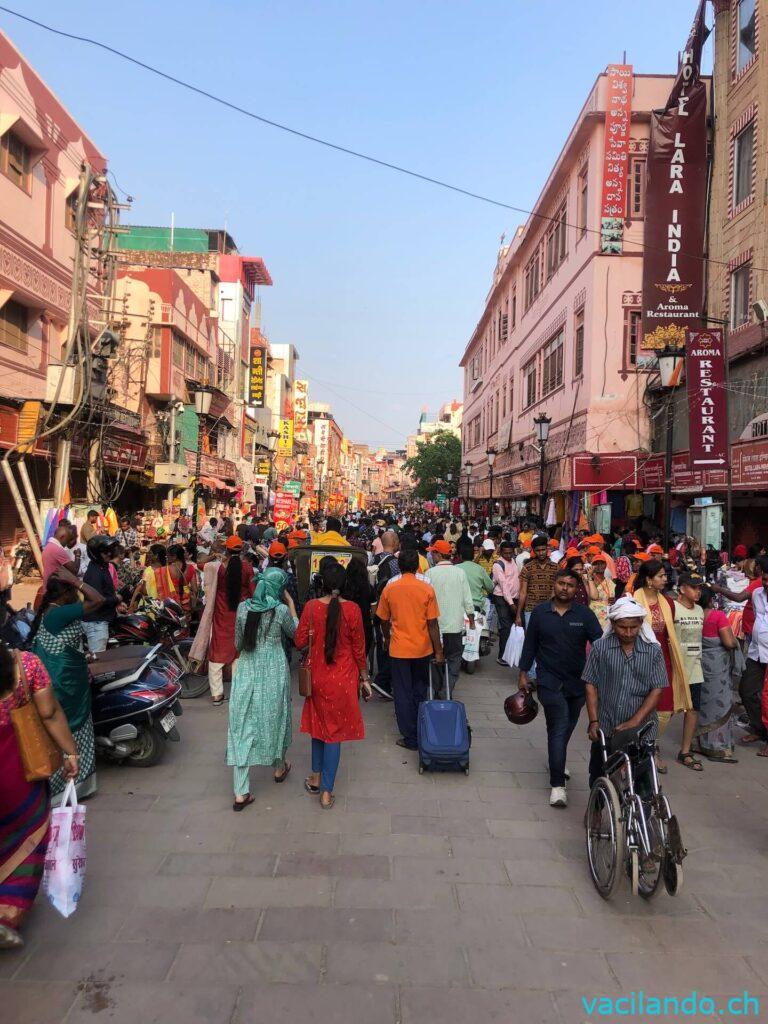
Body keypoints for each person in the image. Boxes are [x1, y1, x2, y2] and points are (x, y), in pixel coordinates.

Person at [0, 641, 79, 949]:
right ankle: (6, 913)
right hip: (19, 769)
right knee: (30, 837)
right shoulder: (26, 664)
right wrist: (70, 752)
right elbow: (48, 712)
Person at [518, 568, 602, 807]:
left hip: (578, 683)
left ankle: (558, 758)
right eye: (562, 583)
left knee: (566, 728)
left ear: (577, 590)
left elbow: (599, 643)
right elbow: (530, 645)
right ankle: (557, 785)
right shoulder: (540, 613)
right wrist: (523, 673)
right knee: (559, 725)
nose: (565, 588)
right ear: (554, 585)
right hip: (549, 681)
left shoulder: (585, 615)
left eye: (570, 585)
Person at [295, 560, 372, 809]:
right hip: (344, 679)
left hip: (317, 677)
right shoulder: (353, 611)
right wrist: (365, 678)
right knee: (334, 733)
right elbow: (360, 649)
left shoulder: (311, 607)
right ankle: (326, 791)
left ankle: (316, 776)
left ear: (322, 585)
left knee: (319, 726)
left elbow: (298, 641)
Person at [29, 567, 105, 803]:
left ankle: (76, 786)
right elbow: (98, 600)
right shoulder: (58, 614)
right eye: (72, 590)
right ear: (65, 594)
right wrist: (75, 581)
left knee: (74, 729)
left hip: (71, 681)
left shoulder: (55, 612)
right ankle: (65, 788)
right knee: (67, 730)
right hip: (65, 685)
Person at [227, 567, 298, 808]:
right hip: (274, 671)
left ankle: (241, 791)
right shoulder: (279, 610)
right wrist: (291, 604)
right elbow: (297, 635)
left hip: (247, 669)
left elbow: (238, 642)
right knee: (276, 718)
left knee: (243, 724)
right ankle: (279, 768)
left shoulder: (243, 608)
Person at [583, 596, 668, 787]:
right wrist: (593, 721)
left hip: (642, 728)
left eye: (633, 627)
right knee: (598, 774)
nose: (628, 633)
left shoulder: (653, 651)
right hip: (607, 725)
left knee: (643, 783)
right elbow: (590, 684)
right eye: (623, 627)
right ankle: (596, 811)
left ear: (640, 624)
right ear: (613, 624)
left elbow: (657, 689)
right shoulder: (600, 647)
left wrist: (634, 721)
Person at [376, 548, 444, 750]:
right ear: (416, 566)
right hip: (422, 649)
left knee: (402, 693)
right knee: (419, 690)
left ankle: (409, 736)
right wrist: (438, 651)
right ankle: (421, 729)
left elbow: (383, 619)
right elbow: (433, 624)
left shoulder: (390, 588)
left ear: (400, 566)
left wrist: (387, 638)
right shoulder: (426, 589)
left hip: (399, 649)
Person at [632, 559, 691, 773]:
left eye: (665, 576)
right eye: (661, 576)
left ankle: (652, 745)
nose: (666, 579)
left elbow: (668, 635)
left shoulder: (669, 603)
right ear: (648, 580)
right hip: (637, 659)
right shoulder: (632, 600)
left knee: (665, 707)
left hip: (663, 659)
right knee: (638, 703)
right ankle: (638, 746)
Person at [694, 585, 742, 763]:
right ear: (710, 600)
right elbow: (729, 643)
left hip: (700, 663)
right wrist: (736, 642)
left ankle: (698, 742)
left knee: (703, 703)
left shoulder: (695, 616)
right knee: (719, 705)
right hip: (717, 666)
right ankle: (717, 747)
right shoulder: (717, 616)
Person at [205, 536, 255, 705]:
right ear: (241, 551)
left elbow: (200, 566)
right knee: (237, 652)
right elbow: (253, 594)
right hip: (240, 616)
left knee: (217, 652)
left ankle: (217, 695)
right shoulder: (248, 568)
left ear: (226, 550)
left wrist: (215, 554)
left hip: (221, 617)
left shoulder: (219, 568)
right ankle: (238, 693)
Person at [427, 540, 474, 694]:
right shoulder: (460, 572)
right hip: (454, 626)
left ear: (439, 554)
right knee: (454, 659)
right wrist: (471, 620)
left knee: (435, 659)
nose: (431, 555)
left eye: (433, 552)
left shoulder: (430, 573)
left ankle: (437, 688)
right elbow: (468, 599)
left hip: (435, 627)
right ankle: (447, 689)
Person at [673, 572, 706, 771]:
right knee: (665, 711)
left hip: (694, 668)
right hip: (676, 667)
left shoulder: (700, 610)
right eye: (694, 587)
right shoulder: (673, 608)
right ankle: (654, 748)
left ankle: (685, 751)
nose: (698, 592)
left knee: (692, 710)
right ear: (682, 588)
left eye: (699, 588)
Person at [740, 563, 768, 748]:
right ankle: (760, 729)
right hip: (757, 652)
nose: (766, 583)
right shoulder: (758, 594)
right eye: (764, 579)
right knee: (746, 690)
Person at [371, 530, 401, 699]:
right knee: (389, 641)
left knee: (380, 639)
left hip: (374, 608)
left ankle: (383, 679)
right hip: (390, 610)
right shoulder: (395, 564)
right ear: (395, 542)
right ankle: (384, 681)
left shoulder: (373, 560)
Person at [82, 536, 124, 652]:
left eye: (110, 551)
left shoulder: (102, 567)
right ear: (96, 553)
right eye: (105, 552)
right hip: (96, 623)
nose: (109, 554)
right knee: (98, 664)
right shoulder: (95, 572)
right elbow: (98, 600)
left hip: (102, 620)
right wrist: (116, 599)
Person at [491, 540, 519, 666]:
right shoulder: (498, 565)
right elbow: (503, 585)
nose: (508, 556)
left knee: (514, 627)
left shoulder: (513, 561)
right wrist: (511, 603)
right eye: (506, 553)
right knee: (506, 627)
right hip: (502, 598)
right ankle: (502, 656)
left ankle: (512, 655)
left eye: (510, 553)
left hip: (514, 598)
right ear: (501, 552)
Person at [343, 556, 375, 659]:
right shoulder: (369, 588)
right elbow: (374, 612)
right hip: (364, 626)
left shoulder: (344, 589)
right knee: (361, 656)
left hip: (345, 625)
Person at [129, 543, 176, 609]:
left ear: (156, 556)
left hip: (149, 606)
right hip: (165, 606)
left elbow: (144, 591)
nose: (148, 554)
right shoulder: (168, 569)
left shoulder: (149, 570)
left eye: (150, 553)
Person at [456, 540, 494, 613]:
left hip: (460, 606)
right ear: (473, 555)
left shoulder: (455, 568)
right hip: (477, 606)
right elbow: (490, 587)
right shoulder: (480, 569)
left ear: (460, 556)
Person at [41, 521, 79, 585]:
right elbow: (75, 570)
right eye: (67, 540)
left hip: (50, 584)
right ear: (62, 537)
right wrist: (78, 555)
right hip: (55, 588)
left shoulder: (49, 545)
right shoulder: (57, 549)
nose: (67, 543)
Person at [168, 543, 199, 614]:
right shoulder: (191, 568)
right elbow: (195, 590)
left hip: (172, 602)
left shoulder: (166, 569)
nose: (167, 557)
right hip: (186, 602)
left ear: (174, 556)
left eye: (168, 555)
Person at [589, 554, 616, 630]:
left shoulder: (609, 581)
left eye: (602, 563)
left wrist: (614, 600)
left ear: (606, 565)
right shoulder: (589, 579)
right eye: (596, 563)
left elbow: (614, 595)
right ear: (592, 566)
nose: (599, 565)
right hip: (593, 615)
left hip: (608, 616)